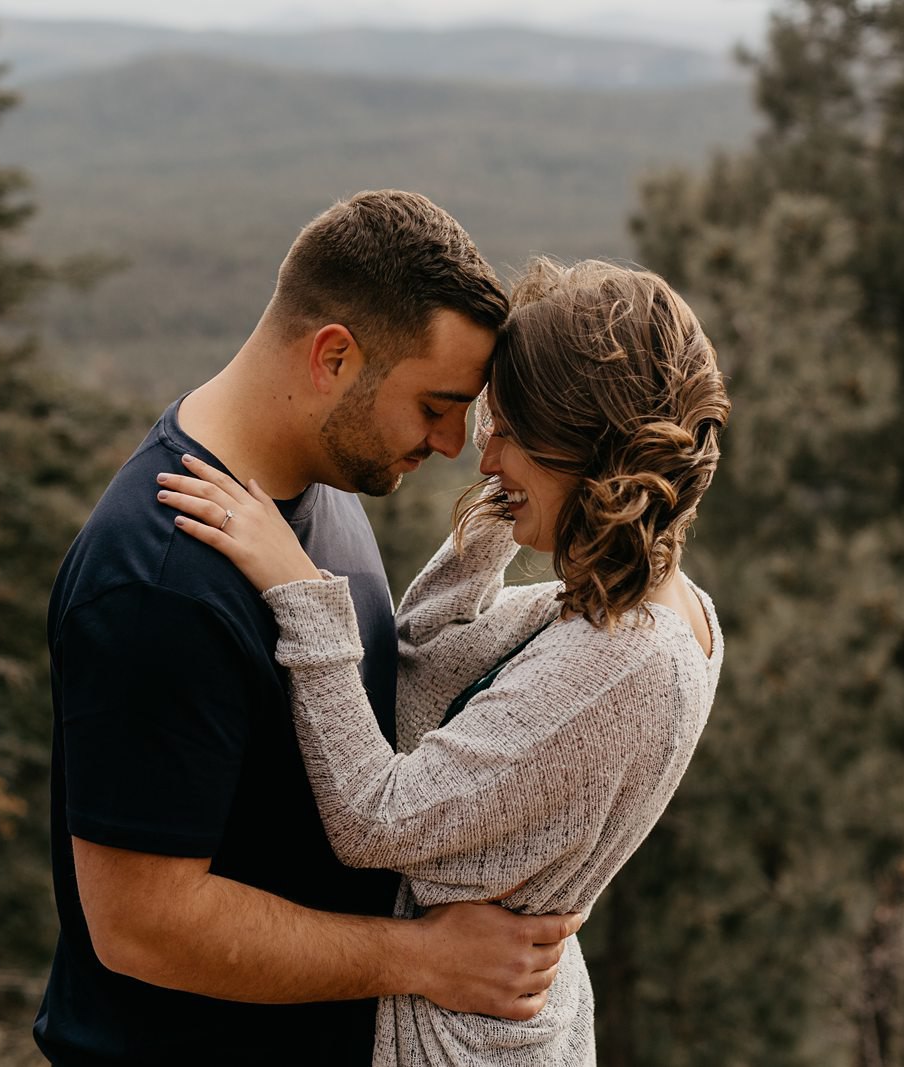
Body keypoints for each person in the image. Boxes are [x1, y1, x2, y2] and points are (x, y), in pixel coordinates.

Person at [35, 192, 584, 1066]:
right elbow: (142, 927)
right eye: (437, 405)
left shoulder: (319, 482)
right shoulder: (159, 581)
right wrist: (426, 960)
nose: (452, 444)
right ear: (334, 356)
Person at [157, 257, 731, 1065]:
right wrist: (503, 514)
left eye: (511, 435)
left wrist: (297, 586)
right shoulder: (652, 605)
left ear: (584, 449)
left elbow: (373, 818)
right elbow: (421, 667)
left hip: (456, 1040)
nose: (484, 457)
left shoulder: (617, 661)